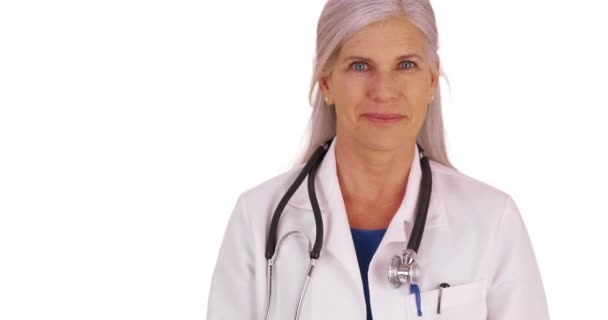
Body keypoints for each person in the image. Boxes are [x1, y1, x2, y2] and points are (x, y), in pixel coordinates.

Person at [206, 0, 550, 319]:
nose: (383, 90)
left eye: (406, 65)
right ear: (326, 81)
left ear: (431, 81)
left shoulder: (492, 220)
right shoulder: (258, 218)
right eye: (360, 66)